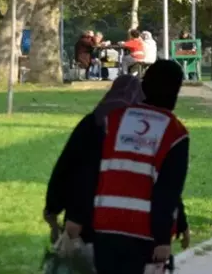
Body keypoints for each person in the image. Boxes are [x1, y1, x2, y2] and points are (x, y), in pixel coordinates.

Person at [88, 60, 189, 274]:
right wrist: (163, 239)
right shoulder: (175, 132)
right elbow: (168, 189)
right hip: (143, 234)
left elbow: (92, 170)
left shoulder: (113, 119)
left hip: (103, 225)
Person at [44, 75, 146, 243]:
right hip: (129, 219)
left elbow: (67, 166)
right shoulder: (141, 133)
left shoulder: (92, 124)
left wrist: (54, 207)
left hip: (86, 215)